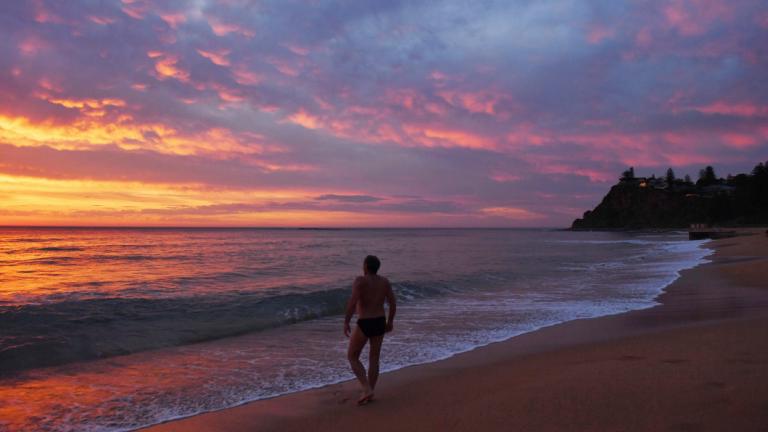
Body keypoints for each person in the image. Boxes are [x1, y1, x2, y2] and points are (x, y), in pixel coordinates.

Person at [344, 255, 397, 405]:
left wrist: (346, 321)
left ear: (366, 266)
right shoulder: (384, 282)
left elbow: (353, 302)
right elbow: (393, 303)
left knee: (352, 356)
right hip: (380, 321)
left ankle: (366, 388)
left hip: (365, 322)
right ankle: (370, 391)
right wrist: (390, 322)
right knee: (374, 358)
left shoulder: (360, 281)